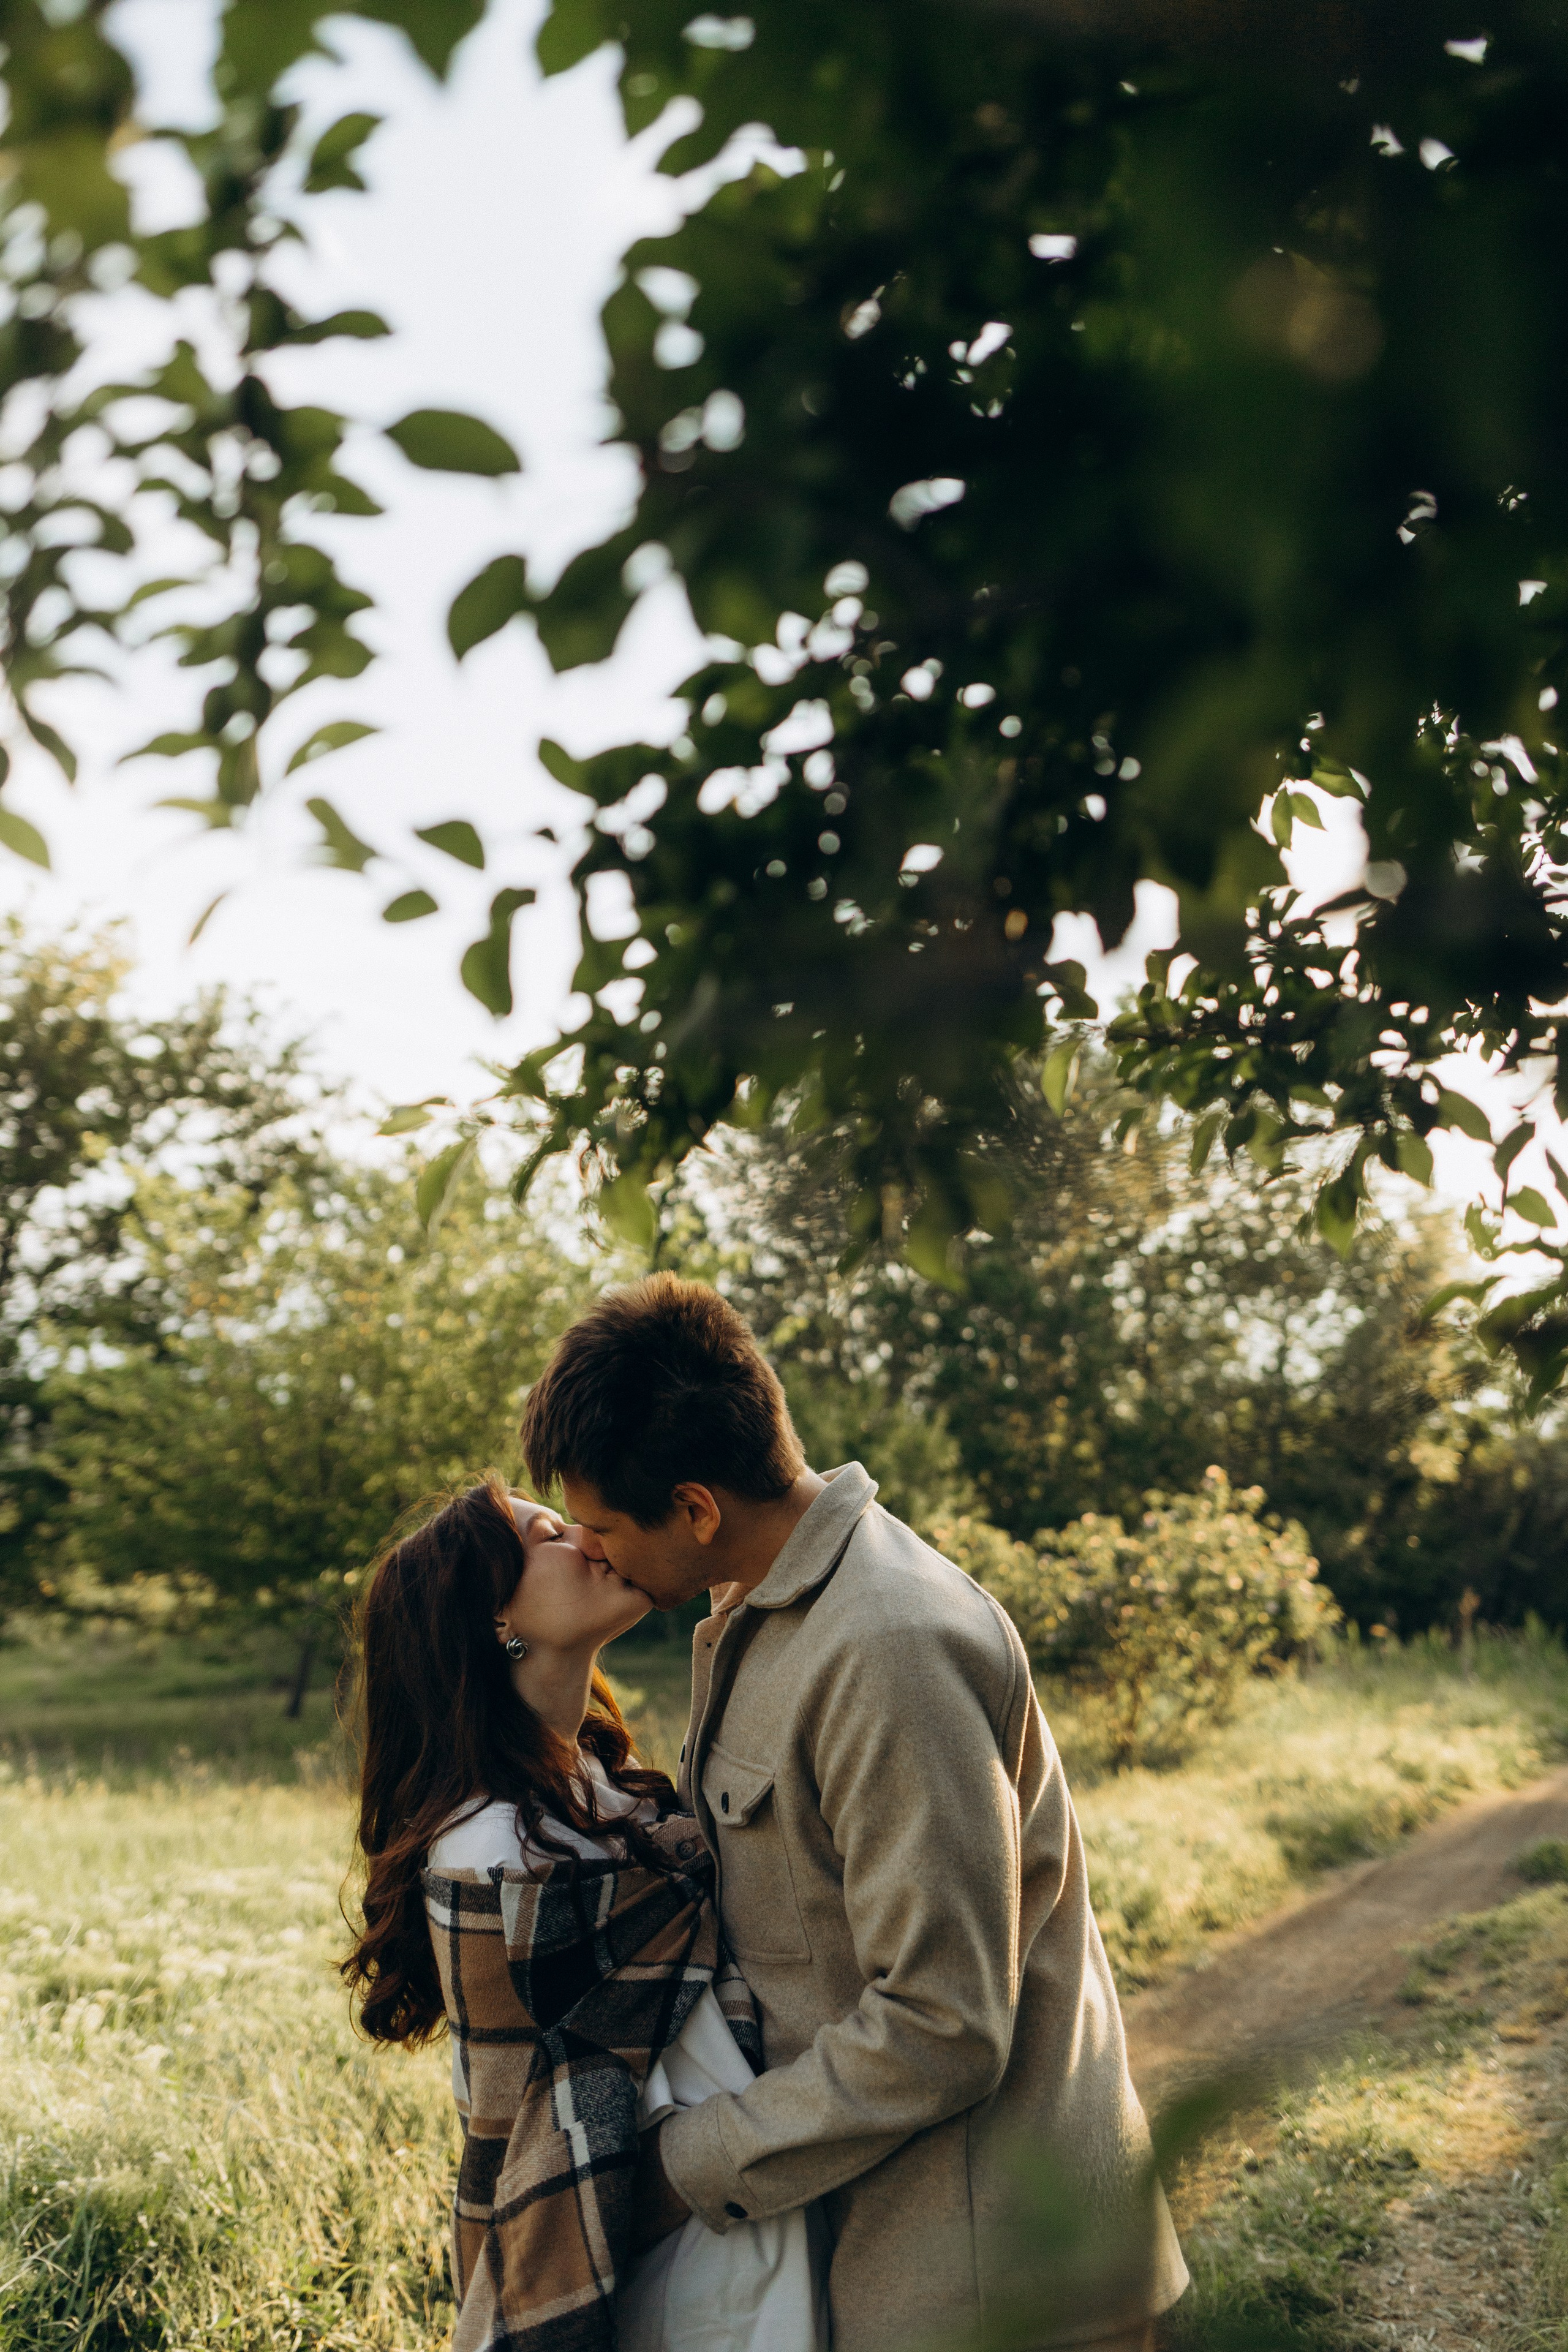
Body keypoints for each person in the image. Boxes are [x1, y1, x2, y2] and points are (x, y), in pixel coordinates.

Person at [519, 1273, 1188, 2352]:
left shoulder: (886, 1647)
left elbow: (943, 2022)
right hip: (893, 2250)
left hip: (998, 2279)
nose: (590, 1550)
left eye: (600, 1527)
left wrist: (685, 2168)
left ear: (695, 1508)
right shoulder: (760, 1601)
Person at [340, 1474, 827, 2352]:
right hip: (658, 2266)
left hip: (757, 2214)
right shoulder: (487, 1854)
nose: (590, 1538)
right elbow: (522, 2140)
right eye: (547, 1535)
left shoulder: (611, 1789)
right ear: (496, 1617)